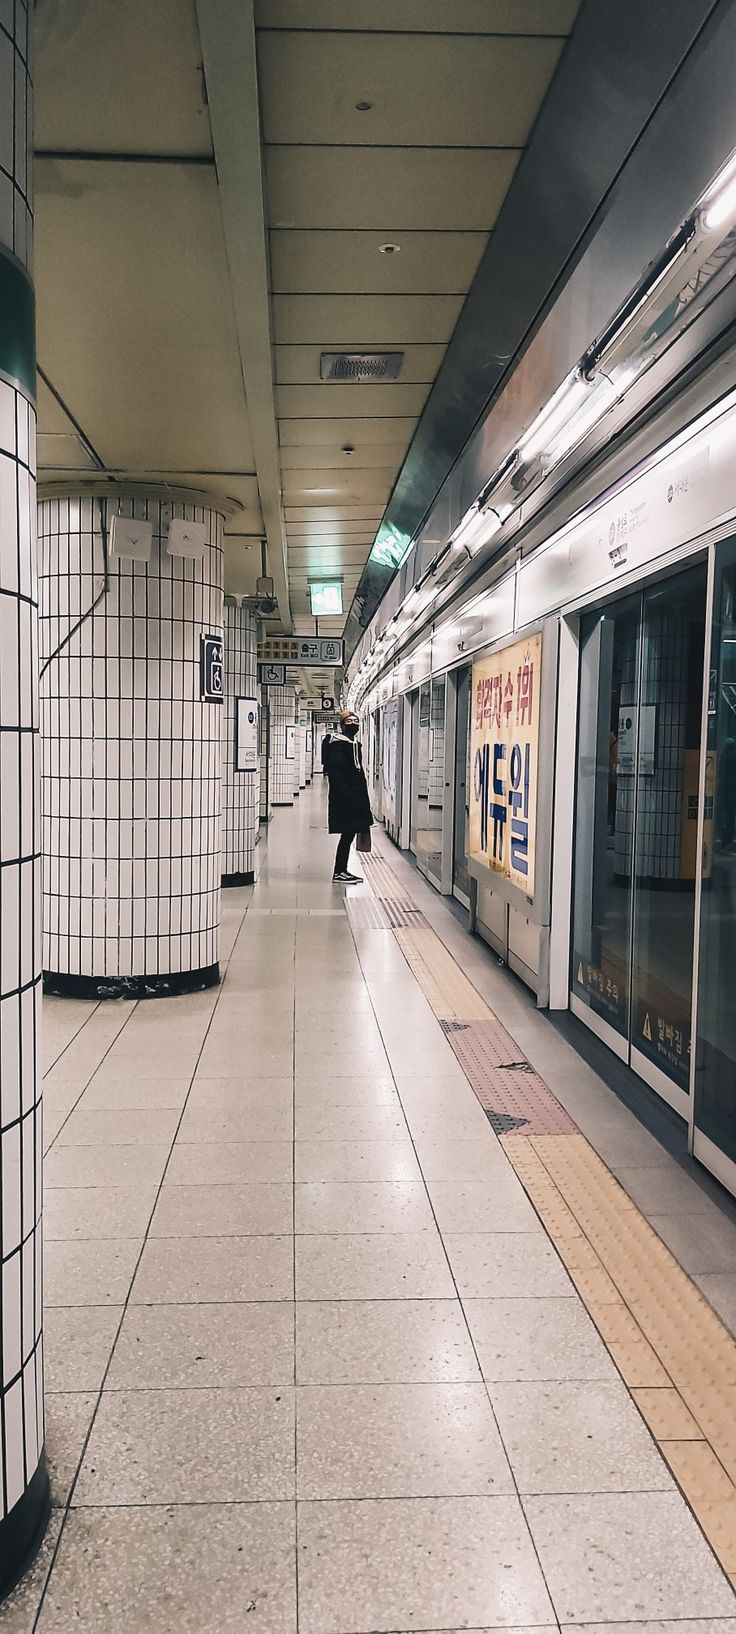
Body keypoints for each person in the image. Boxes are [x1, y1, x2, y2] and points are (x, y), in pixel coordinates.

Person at [324, 711, 373, 882]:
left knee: (348, 834)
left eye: (356, 721)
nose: (354, 724)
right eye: (349, 721)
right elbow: (336, 773)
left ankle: (341, 870)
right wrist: (349, 795)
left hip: (355, 796)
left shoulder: (353, 744)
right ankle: (339, 871)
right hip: (346, 798)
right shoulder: (337, 745)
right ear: (343, 725)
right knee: (347, 834)